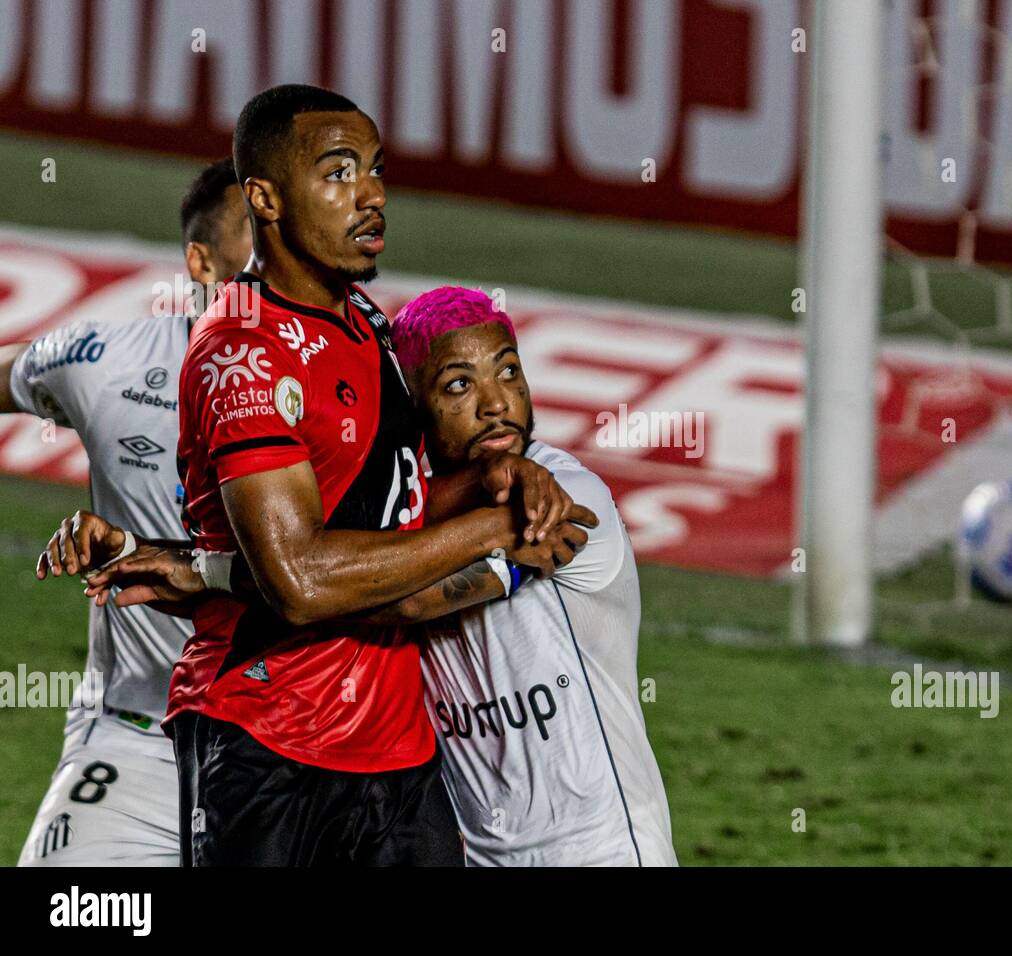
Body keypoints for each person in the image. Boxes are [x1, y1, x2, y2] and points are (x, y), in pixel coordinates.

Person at [102, 83, 589, 866]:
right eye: (337, 172)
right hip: (266, 738)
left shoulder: (370, 329)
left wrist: (503, 477)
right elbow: (300, 580)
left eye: (374, 168)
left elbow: (399, 512)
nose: (371, 194)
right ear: (263, 197)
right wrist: (496, 528)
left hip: (397, 753)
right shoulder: (242, 351)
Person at [78, 287, 677, 866]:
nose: (496, 403)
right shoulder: (400, 514)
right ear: (411, 405)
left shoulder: (559, 495)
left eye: (510, 372)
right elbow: (325, 576)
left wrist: (208, 571)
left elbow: (390, 601)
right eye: (459, 385)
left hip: (603, 849)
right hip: (482, 855)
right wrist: (223, 568)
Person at [0, 156, 251, 865]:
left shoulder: (354, 377)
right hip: (138, 741)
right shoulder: (107, 362)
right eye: (253, 228)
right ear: (202, 261)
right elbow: (9, 375)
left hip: (294, 747)